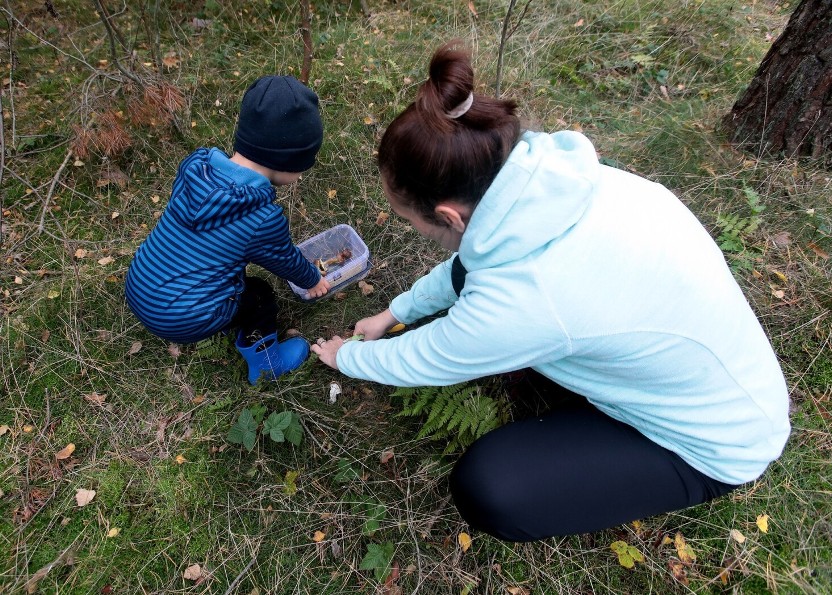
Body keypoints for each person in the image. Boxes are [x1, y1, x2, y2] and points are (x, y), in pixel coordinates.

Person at [310, 42, 791, 542]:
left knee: (492, 487)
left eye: (413, 223)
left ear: (450, 216)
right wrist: (394, 311)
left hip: (714, 444)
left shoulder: (528, 299)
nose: (419, 232)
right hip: (725, 379)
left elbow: (426, 357)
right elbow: (471, 265)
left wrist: (347, 357)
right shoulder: (563, 187)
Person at [125, 75, 330, 384]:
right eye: (303, 166)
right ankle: (267, 364)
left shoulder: (196, 166)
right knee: (259, 295)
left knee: (213, 260)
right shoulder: (259, 216)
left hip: (141, 285)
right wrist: (313, 279)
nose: (301, 175)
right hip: (181, 318)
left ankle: (206, 306)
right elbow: (285, 260)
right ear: (286, 161)